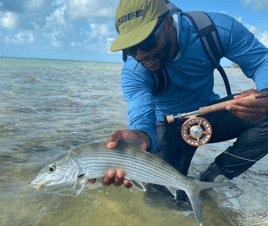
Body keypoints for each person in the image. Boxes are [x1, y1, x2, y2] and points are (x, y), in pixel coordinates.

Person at [89, 0, 268, 200]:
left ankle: (216, 176)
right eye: (130, 49)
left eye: (146, 43)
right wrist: (140, 136)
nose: (139, 55)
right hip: (165, 127)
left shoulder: (214, 29)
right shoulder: (134, 72)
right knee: (161, 204)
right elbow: (142, 120)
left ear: (168, 24)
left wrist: (265, 93)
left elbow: (262, 61)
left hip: (209, 113)